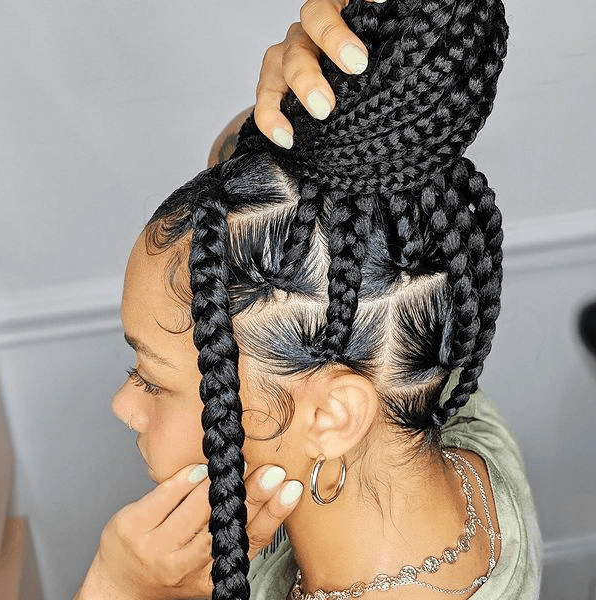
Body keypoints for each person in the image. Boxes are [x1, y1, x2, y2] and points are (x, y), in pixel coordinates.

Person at [74, 1, 542, 599]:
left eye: (152, 379)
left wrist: (117, 585)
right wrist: (324, 102)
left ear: (332, 416)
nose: (122, 404)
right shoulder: (442, 414)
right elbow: (296, 205)